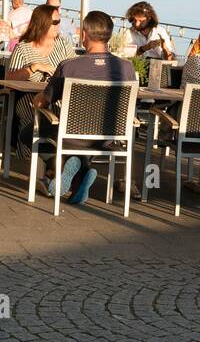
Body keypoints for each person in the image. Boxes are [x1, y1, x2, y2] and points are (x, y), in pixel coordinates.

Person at [30, 11, 137, 204]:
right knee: (79, 144)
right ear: (109, 35)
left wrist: (37, 100)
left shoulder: (69, 66)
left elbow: (43, 101)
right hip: (107, 138)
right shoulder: (126, 68)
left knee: (27, 132)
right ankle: (80, 174)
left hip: (71, 136)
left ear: (84, 34)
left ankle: (62, 168)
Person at [8, 3, 76, 156]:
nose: (59, 25)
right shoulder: (23, 48)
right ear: (43, 23)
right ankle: (50, 161)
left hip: (57, 96)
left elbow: (74, 71)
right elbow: (9, 77)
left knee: (68, 118)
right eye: (56, 22)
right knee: (35, 118)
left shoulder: (63, 45)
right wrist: (34, 67)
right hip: (29, 97)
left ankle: (55, 162)